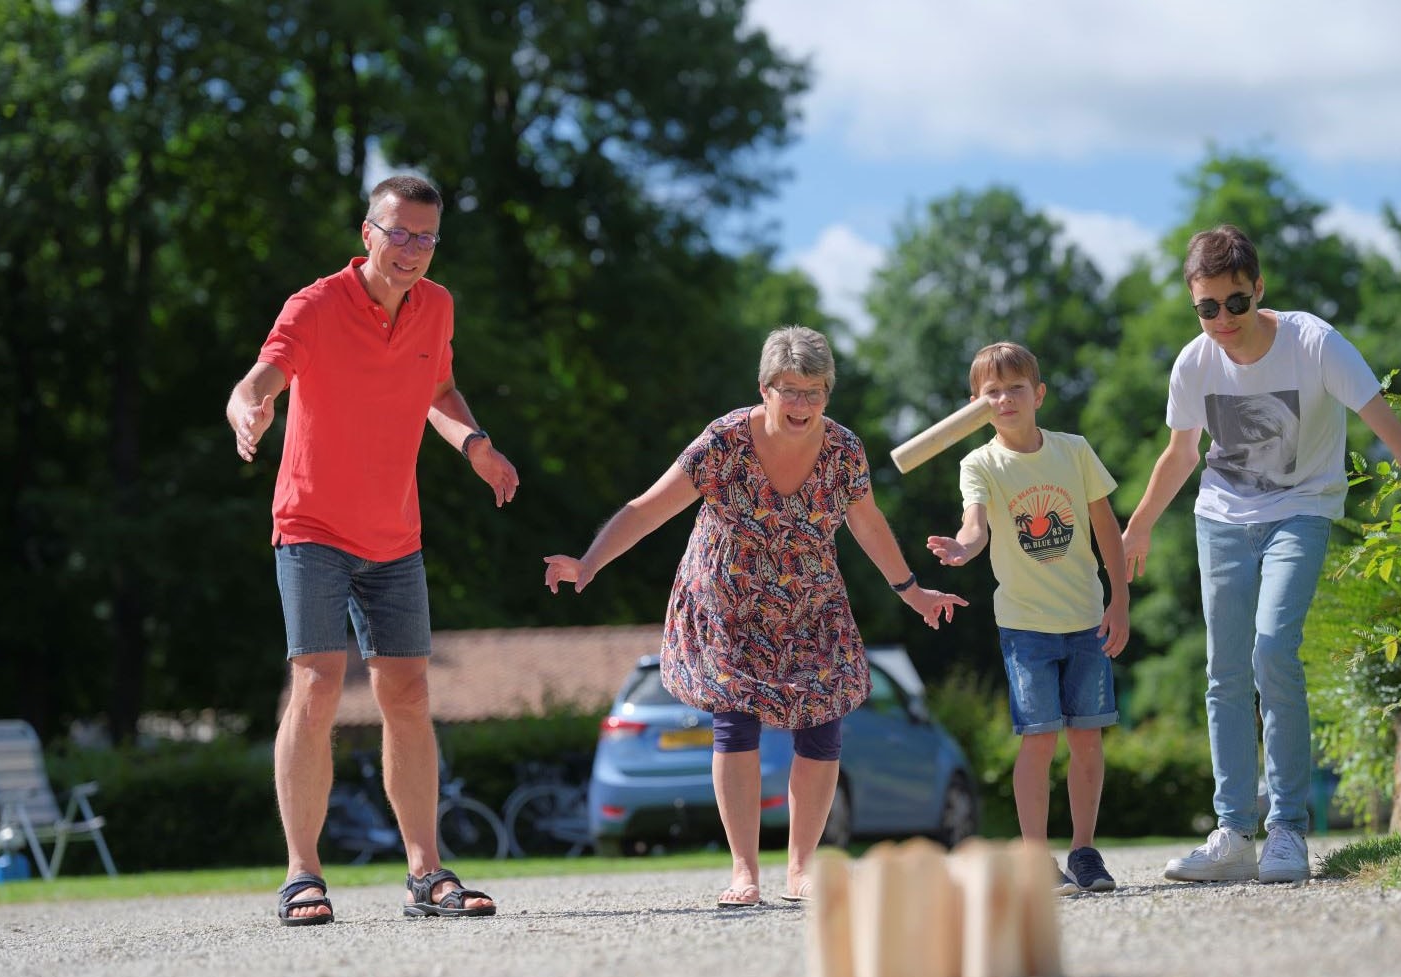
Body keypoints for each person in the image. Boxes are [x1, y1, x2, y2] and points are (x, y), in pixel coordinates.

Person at [1122, 224, 1401, 885]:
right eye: (1206, 308)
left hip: (1300, 512)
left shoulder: (1314, 344)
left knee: (1272, 649)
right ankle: (1232, 833)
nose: (1222, 320)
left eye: (1234, 303)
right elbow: (1180, 453)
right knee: (1224, 671)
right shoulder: (1195, 361)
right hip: (1220, 519)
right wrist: (1137, 526)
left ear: (1258, 289)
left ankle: (1286, 828)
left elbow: (1396, 439)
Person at [544, 325, 966, 908]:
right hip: (727, 600)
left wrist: (911, 590)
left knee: (823, 720)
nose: (802, 404)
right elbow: (649, 507)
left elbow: (868, 524)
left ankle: (802, 869)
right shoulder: (722, 442)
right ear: (764, 389)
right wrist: (590, 562)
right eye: (790, 390)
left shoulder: (843, 450)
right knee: (735, 720)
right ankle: (745, 872)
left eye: (815, 391)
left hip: (810, 601)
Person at [226, 174, 519, 925]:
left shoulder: (437, 306)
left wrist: (476, 446)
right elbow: (261, 378)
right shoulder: (317, 305)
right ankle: (302, 875)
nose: (413, 249)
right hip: (313, 526)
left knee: (409, 696)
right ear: (368, 233)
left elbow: (440, 390)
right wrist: (247, 410)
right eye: (399, 233)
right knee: (318, 684)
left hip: (395, 533)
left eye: (426, 236)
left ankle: (426, 873)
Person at [926, 342, 1130, 894]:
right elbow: (975, 526)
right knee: (1039, 741)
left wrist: (1120, 601)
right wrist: (963, 549)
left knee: (1087, 739)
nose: (1005, 397)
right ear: (975, 404)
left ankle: (1085, 853)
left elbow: (1107, 527)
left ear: (1038, 395)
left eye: (1016, 387)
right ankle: (1037, 858)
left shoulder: (1074, 450)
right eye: (992, 391)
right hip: (1024, 626)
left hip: (1087, 617)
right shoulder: (980, 463)